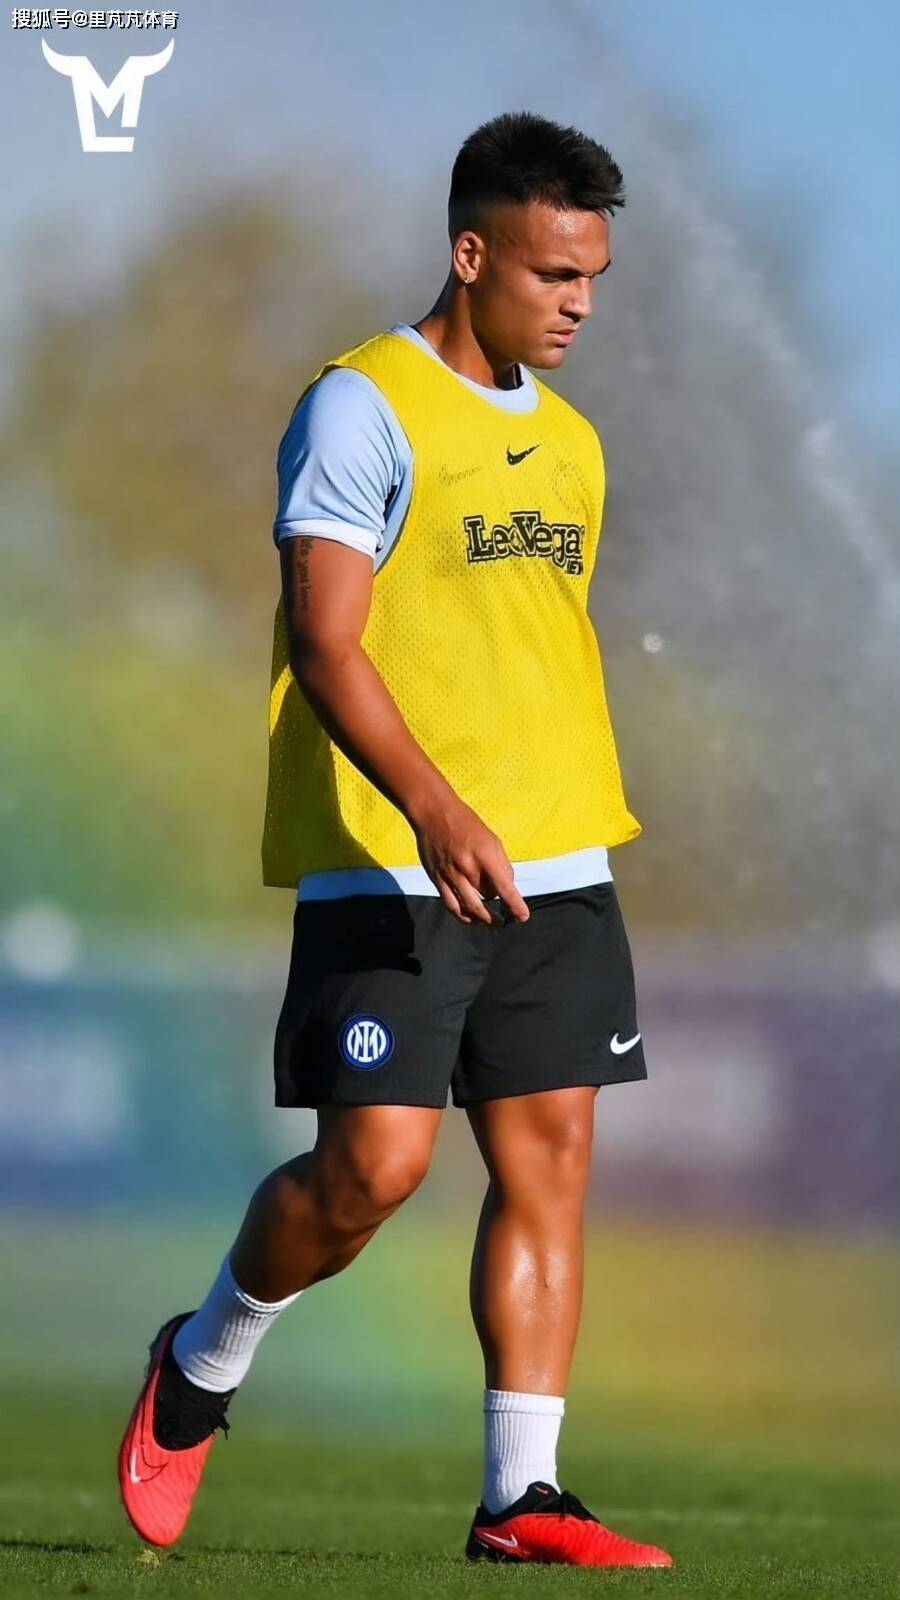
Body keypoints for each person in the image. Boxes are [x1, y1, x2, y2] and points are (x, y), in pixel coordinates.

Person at [118, 109, 672, 1570]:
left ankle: (521, 1499)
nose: (579, 303)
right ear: (470, 254)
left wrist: (543, 817)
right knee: (371, 1174)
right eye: (554, 273)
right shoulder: (359, 406)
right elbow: (328, 638)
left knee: (550, 1166)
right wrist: (437, 809)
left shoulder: (573, 444)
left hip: (561, 863)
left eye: (594, 278)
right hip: (391, 855)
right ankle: (201, 1361)